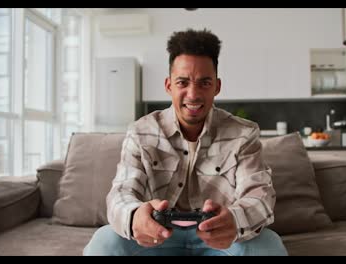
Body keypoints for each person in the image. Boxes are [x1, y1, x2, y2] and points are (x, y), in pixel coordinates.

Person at [83, 28, 288, 256]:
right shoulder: (140, 132)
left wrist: (235, 219)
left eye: (204, 83)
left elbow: (259, 194)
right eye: (182, 82)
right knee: (104, 242)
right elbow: (121, 192)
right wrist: (134, 217)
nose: (193, 94)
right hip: (157, 237)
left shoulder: (244, 134)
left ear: (217, 87)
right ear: (169, 85)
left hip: (219, 239)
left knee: (270, 246)